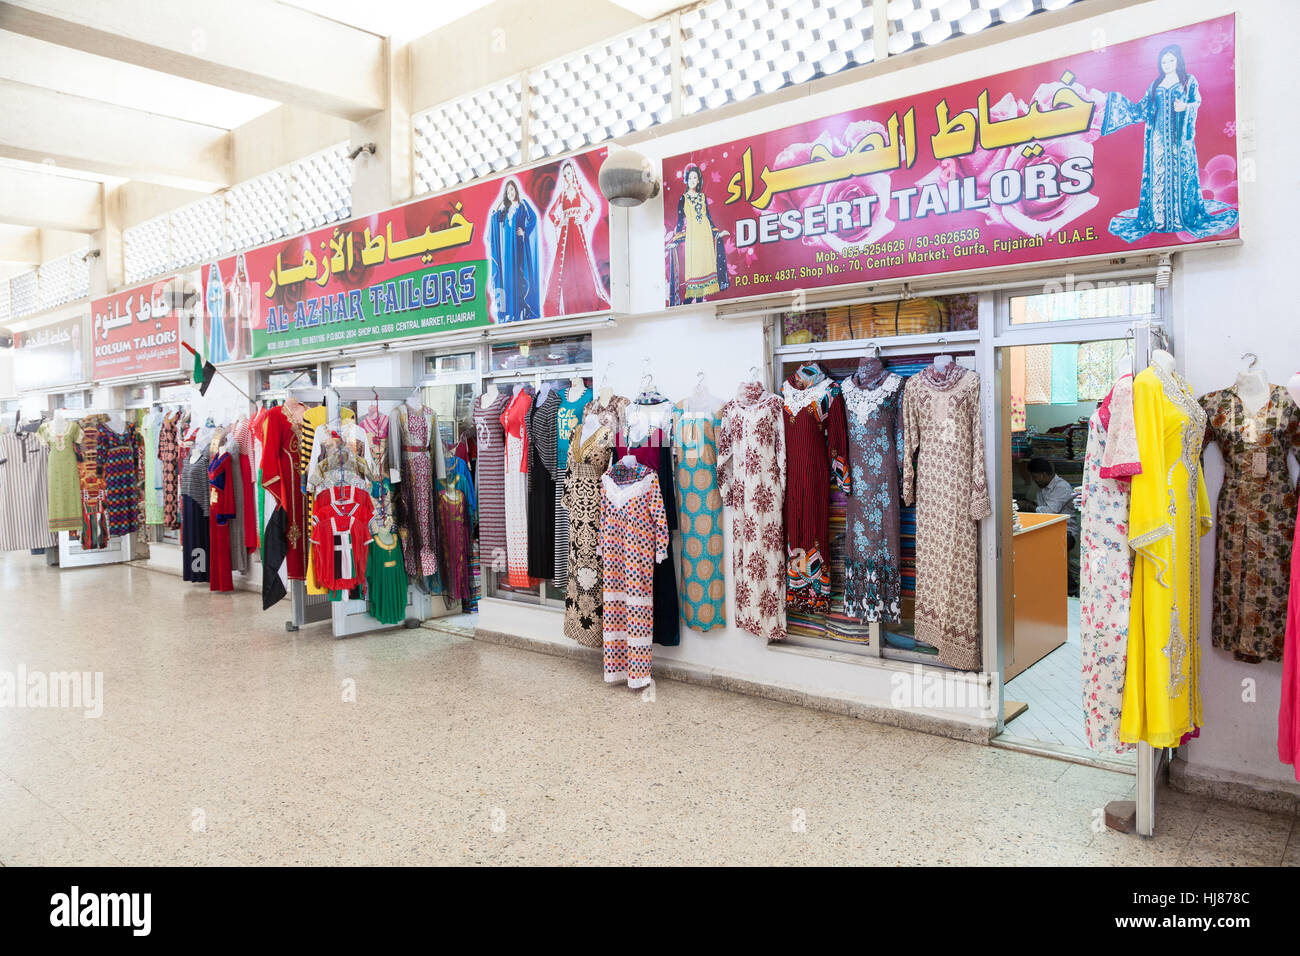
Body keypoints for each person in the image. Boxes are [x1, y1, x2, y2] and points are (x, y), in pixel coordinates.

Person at [1099, 43, 1239, 242]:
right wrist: (1118, 105)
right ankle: (1159, 218)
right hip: (1158, 141)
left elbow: (1196, 102)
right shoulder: (1156, 84)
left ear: (1178, 60)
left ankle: (1181, 217)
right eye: (1164, 61)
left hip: (1179, 140)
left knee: (1180, 175)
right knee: (1159, 176)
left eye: (1171, 60)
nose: (1167, 64)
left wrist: (1185, 107)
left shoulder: (1188, 81)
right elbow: (1143, 109)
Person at [1027, 457, 1079, 595]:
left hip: (1066, 532)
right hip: (1048, 531)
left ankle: (1070, 588)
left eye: (1035, 477)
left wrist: (1030, 506)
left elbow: (1049, 512)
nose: (1034, 480)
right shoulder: (1042, 489)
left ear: (1043, 475)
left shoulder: (1062, 487)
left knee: (1052, 547)